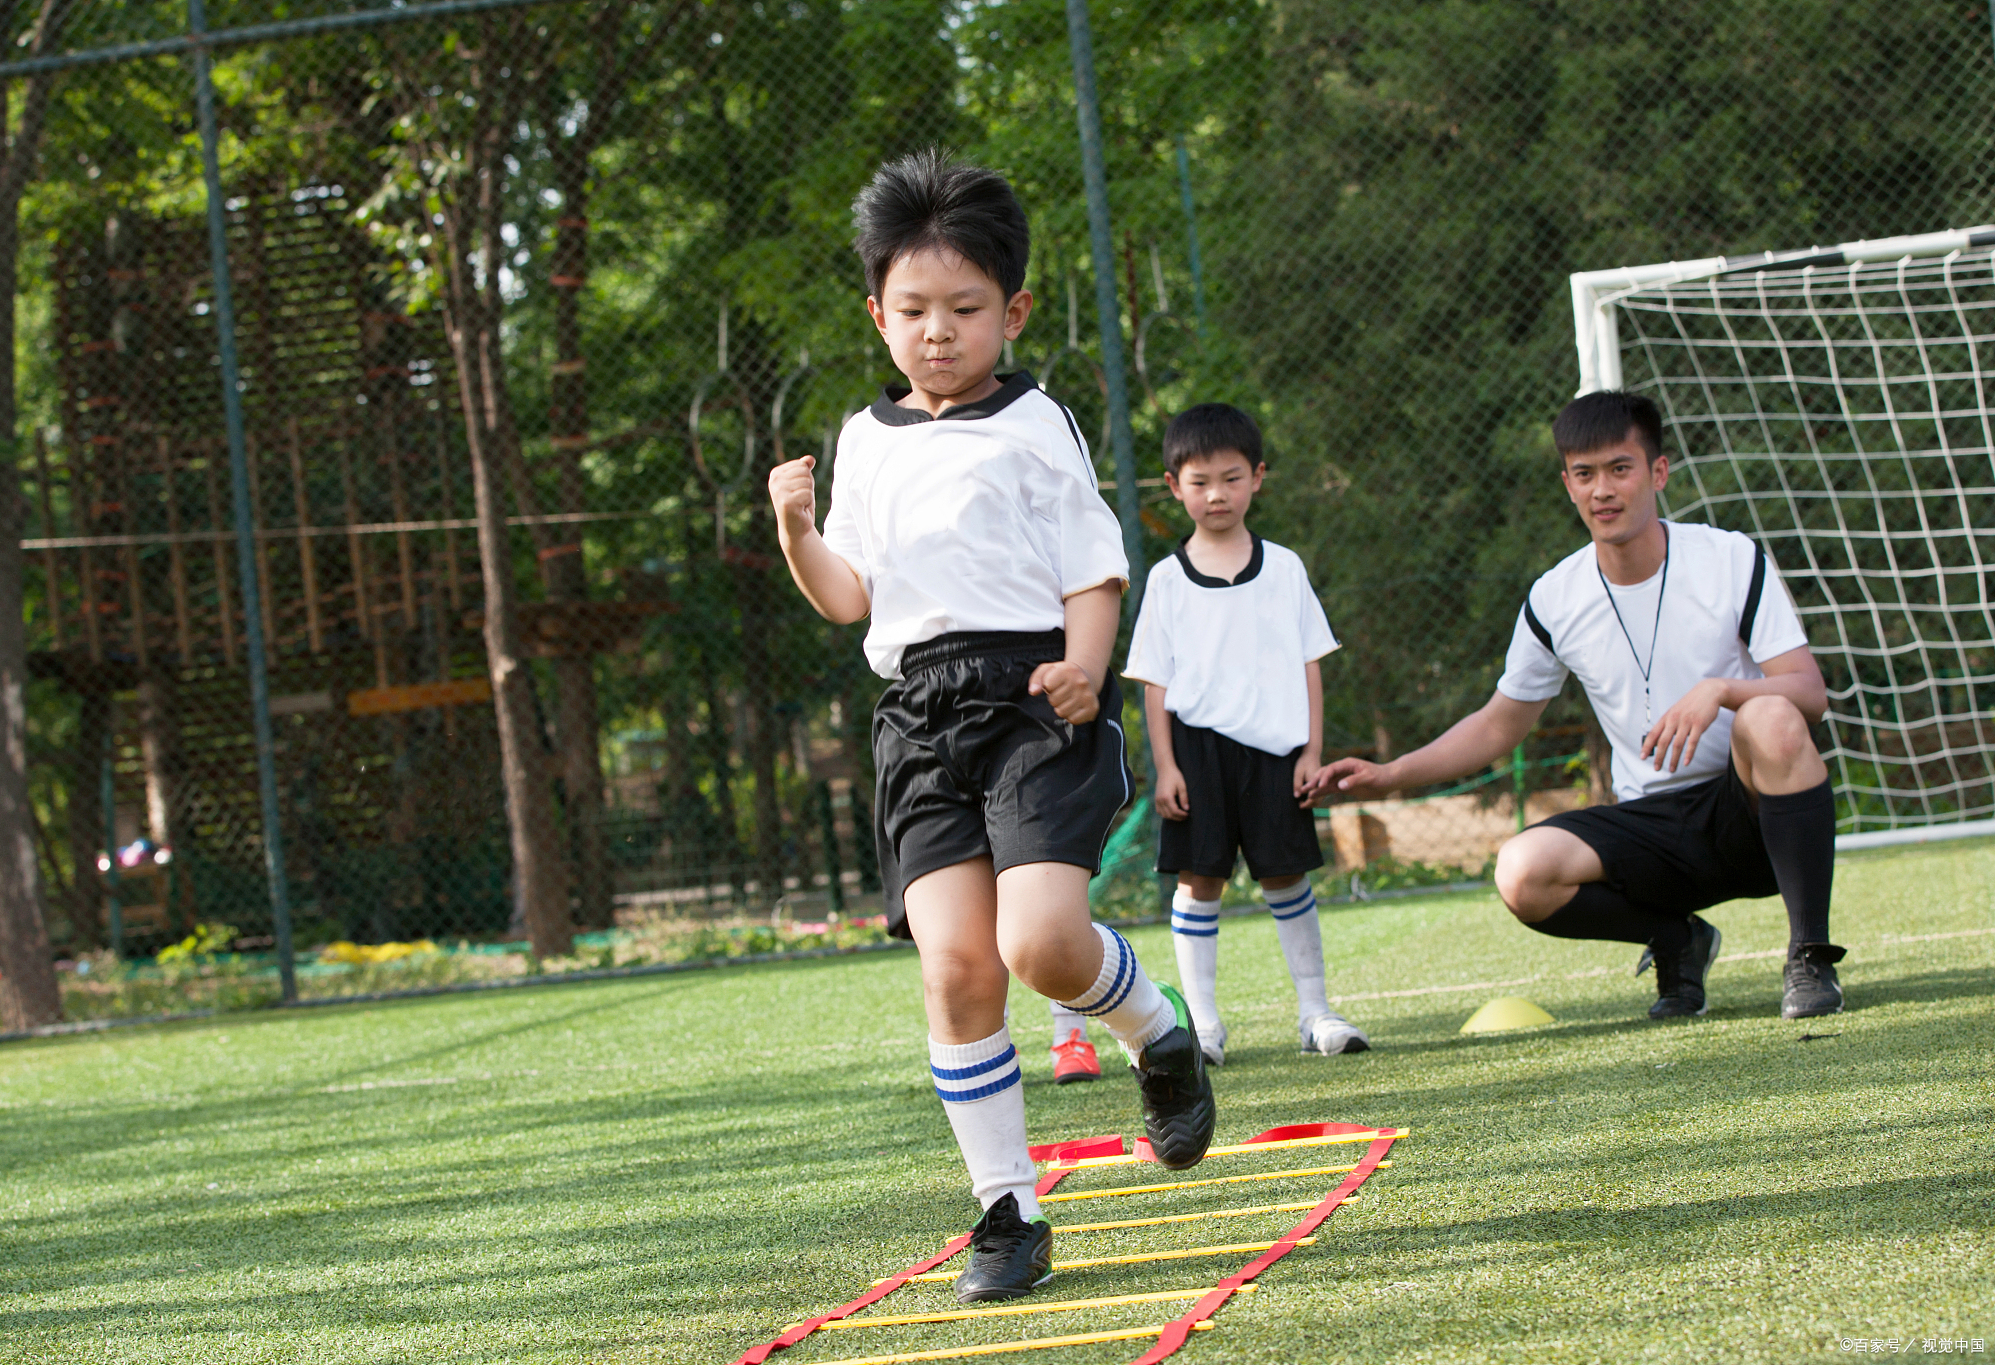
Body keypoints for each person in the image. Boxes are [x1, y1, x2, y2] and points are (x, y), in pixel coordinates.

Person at [766, 149, 1217, 1306]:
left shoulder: (1034, 423)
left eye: (964, 309)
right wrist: (795, 532)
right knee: (957, 967)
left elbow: (1091, 568)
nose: (937, 333)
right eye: (913, 309)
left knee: (1041, 945)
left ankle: (1154, 1030)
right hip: (915, 718)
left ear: (1010, 313)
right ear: (876, 314)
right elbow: (848, 598)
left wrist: (1085, 667)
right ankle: (1007, 1213)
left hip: (1030, 701)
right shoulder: (865, 439)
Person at [1307, 390, 1845, 1021]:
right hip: (1651, 828)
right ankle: (1676, 940)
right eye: (1585, 474)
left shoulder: (1729, 558)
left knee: (1770, 716)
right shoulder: (1555, 598)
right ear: (1567, 484)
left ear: (1658, 472)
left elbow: (1808, 693)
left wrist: (1721, 691)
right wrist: (1391, 774)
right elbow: (1498, 724)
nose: (1603, 490)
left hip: (1753, 816)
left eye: (1620, 469)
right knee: (1521, 872)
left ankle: (1809, 956)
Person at [1047, 404, 1363, 1074]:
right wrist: (1165, 765)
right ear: (1174, 485)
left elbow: (1311, 662)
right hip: (1196, 754)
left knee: (1287, 876)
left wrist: (1311, 751)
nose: (1217, 494)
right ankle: (1202, 1026)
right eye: (1200, 481)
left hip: (1277, 754)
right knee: (1200, 883)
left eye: (1231, 478)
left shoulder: (1285, 568)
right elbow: (1154, 682)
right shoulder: (1165, 579)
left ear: (1258, 477)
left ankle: (1316, 1013)